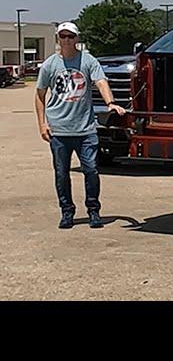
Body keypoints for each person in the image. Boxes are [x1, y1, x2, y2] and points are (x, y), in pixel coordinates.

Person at [35, 22, 126, 229]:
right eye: (62, 36)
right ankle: (67, 212)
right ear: (58, 38)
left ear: (77, 38)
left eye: (70, 36)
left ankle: (93, 211)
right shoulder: (50, 65)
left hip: (85, 129)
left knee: (91, 170)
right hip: (59, 130)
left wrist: (111, 103)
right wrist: (42, 124)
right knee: (61, 173)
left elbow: (101, 81)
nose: (66, 40)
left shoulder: (87, 60)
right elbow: (40, 95)